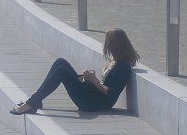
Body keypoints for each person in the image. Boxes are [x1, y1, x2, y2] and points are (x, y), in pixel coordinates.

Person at [10, 29, 138, 115]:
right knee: (61, 62)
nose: (106, 46)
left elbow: (112, 95)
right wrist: (89, 79)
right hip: (92, 94)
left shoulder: (123, 66)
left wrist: (94, 80)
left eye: (108, 43)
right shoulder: (116, 61)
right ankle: (36, 100)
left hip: (94, 103)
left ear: (114, 45)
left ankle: (31, 103)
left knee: (61, 71)